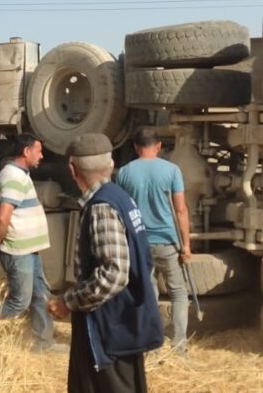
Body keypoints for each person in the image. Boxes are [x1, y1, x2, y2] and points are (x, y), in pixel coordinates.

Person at [48, 133, 163, 393]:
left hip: (109, 330)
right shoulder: (122, 199)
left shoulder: (102, 207)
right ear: (110, 166)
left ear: (72, 169)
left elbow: (115, 273)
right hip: (123, 326)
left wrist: (68, 301)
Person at [116, 127, 192, 352]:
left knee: (148, 294)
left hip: (140, 244)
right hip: (168, 241)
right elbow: (181, 210)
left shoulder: (124, 172)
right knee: (178, 292)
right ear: (158, 145)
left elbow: (121, 208)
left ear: (136, 147)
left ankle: (152, 344)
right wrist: (186, 246)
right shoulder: (172, 170)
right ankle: (179, 344)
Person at [0, 133, 61, 352]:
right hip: (18, 250)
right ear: (26, 151)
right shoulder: (13, 177)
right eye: (38, 150)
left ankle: (44, 343)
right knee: (20, 301)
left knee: (41, 295)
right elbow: (3, 216)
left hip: (28, 248)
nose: (41, 155)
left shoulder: (19, 174)